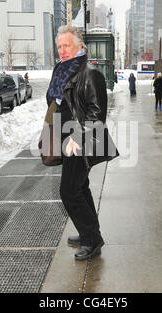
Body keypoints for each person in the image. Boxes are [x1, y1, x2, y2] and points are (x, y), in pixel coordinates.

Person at [45, 25, 118, 261]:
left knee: (68, 191)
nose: (62, 50)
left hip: (81, 140)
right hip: (66, 137)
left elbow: (97, 114)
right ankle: (90, 231)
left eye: (67, 45)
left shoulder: (89, 72)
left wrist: (77, 138)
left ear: (79, 46)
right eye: (59, 46)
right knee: (80, 187)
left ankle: (92, 240)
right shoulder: (62, 70)